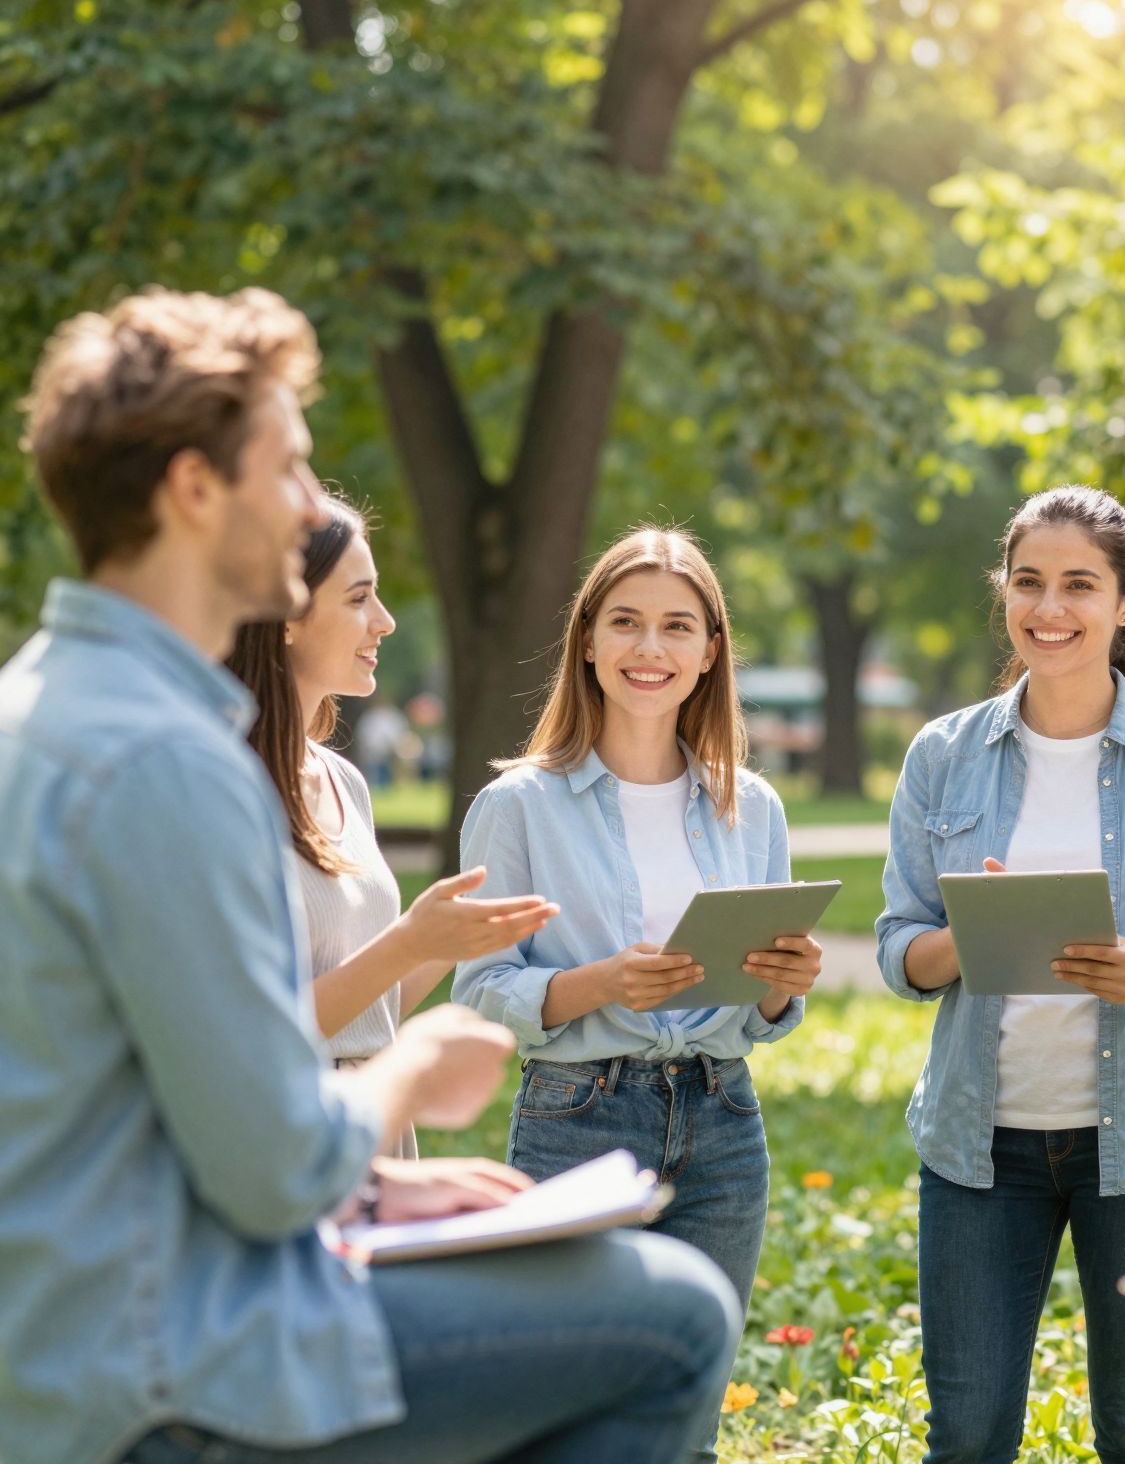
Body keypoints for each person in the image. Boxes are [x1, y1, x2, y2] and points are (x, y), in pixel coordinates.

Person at [0, 288, 739, 1464]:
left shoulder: (47, 706)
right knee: (679, 1318)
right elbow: (274, 1164)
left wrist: (387, 1193)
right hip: (163, 1361)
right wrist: (411, 1072)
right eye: (288, 470)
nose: (309, 509)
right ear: (196, 490)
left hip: (98, 1320)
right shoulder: (161, 760)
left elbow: (143, 1108)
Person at [877, 485, 1125, 1464]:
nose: (1050, 610)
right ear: (1002, 592)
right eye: (1029, 583)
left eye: (1079, 586)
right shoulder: (942, 756)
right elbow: (898, 950)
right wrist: (972, 937)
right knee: (965, 1437)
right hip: (977, 1148)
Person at [453, 524, 822, 1464]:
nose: (648, 649)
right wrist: (599, 984)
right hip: (578, 1117)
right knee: (567, 1410)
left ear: (709, 653)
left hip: (723, 1121)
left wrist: (783, 990)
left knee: (689, 1416)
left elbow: (763, 1011)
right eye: (625, 623)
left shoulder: (754, 805)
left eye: (675, 628)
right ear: (587, 640)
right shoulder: (519, 806)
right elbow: (482, 987)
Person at [224, 493, 558, 1155]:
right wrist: (409, 940)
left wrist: (456, 934)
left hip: (372, 1130)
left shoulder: (345, 781)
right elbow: (252, 1034)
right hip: (283, 1134)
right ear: (288, 612)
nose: (385, 622)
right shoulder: (224, 786)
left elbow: (368, 1015)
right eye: (358, 599)